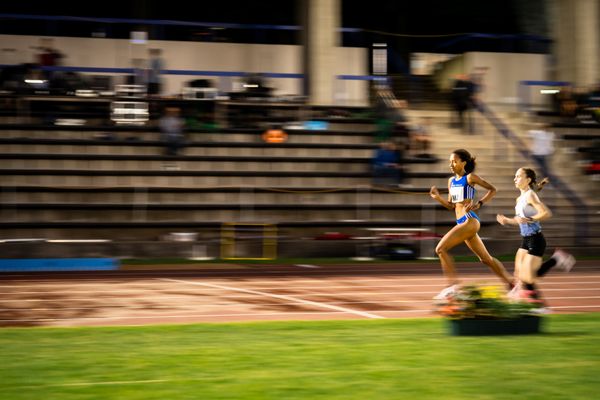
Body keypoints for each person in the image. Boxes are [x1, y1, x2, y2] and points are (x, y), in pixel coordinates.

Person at [429, 149, 514, 299]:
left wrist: (479, 203)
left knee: (440, 249)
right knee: (486, 259)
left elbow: (492, 189)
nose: (451, 164)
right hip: (462, 222)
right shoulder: (451, 181)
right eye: (450, 162)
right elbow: (451, 206)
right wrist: (437, 198)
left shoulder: (470, 178)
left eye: (454, 161)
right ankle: (512, 284)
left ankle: (452, 286)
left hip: (470, 221)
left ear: (464, 162)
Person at [496, 168, 575, 306]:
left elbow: (546, 213)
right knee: (518, 274)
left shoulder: (530, 195)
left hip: (536, 239)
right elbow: (520, 220)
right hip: (526, 240)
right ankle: (520, 293)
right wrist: (507, 220)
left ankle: (540, 306)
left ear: (528, 180)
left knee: (528, 278)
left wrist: (531, 218)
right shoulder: (520, 198)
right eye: (515, 176)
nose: (515, 179)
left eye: (518, 176)